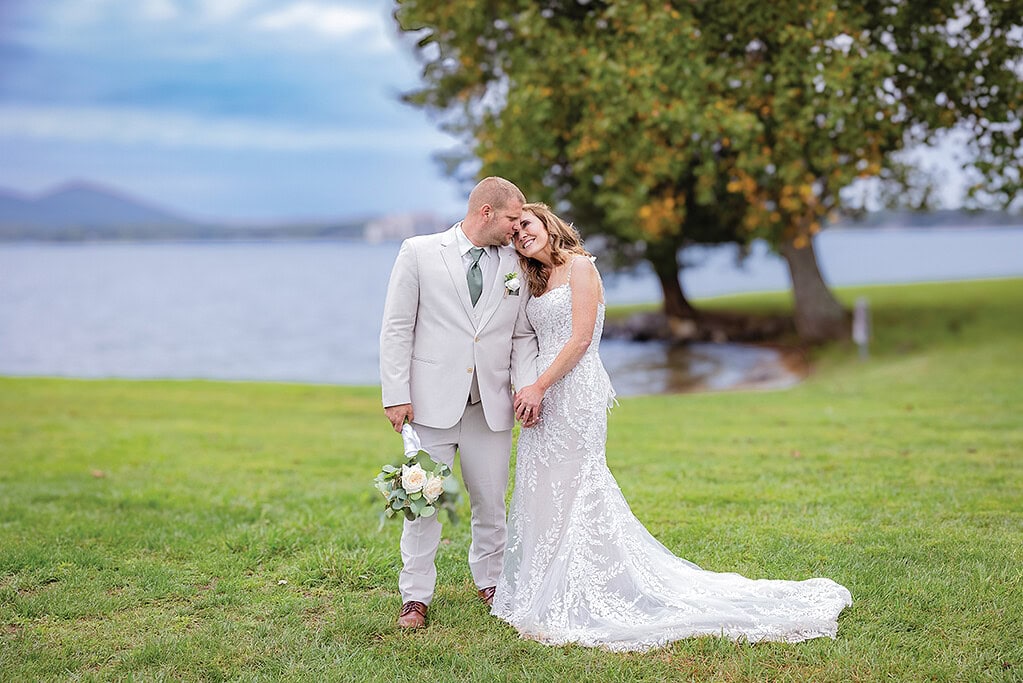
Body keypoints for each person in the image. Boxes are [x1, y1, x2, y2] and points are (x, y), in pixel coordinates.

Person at [491, 203, 852, 651]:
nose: (521, 235)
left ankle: (580, 589)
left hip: (572, 388)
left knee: (578, 483)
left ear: (546, 223)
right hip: (541, 391)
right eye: (514, 233)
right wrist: (525, 386)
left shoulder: (580, 267)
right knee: (541, 484)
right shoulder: (535, 281)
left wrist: (539, 386)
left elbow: (581, 339)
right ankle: (543, 585)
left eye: (526, 225)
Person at [379, 177, 540, 629]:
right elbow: (396, 327)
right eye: (513, 217)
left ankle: (491, 582)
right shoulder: (418, 252)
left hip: (490, 407)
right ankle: (415, 597)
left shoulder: (516, 263)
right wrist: (396, 394)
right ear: (486, 212)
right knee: (421, 503)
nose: (518, 227)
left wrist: (527, 388)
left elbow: (523, 335)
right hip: (428, 405)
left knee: (490, 502)